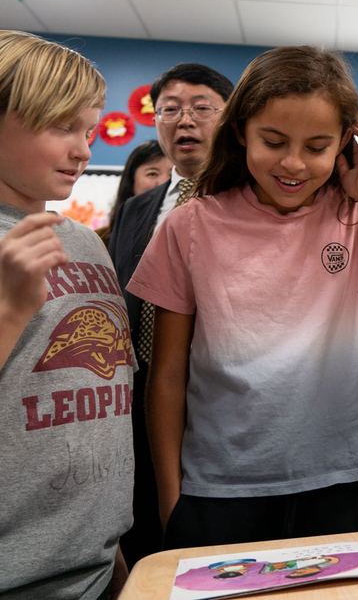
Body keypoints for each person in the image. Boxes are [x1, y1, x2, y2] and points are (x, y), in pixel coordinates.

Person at [127, 46, 358, 548]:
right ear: (240, 132)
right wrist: (171, 498)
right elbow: (166, 375)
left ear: (345, 144)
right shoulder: (190, 225)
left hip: (337, 480)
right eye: (273, 141)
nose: (293, 163)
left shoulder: (356, 218)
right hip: (220, 487)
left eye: (317, 146)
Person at [0, 30, 134, 599]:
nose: (83, 150)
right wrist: (9, 309)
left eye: (89, 129)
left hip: (95, 565)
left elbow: (98, 387)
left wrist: (113, 547)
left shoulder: (82, 240)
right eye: (61, 128)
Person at [107, 62, 234, 567]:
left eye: (202, 108)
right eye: (170, 110)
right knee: (149, 541)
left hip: (218, 402)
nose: (186, 121)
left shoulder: (249, 206)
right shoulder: (139, 210)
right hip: (137, 401)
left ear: (230, 119)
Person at [95, 140, 170, 244]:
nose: (164, 182)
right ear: (131, 181)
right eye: (152, 174)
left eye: (172, 174)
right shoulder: (99, 241)